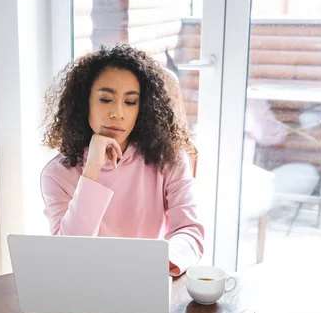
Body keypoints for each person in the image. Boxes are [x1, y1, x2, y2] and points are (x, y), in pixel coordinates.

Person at [40, 44, 204, 276]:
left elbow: (190, 231)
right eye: (106, 99)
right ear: (84, 102)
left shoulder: (169, 159)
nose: (117, 113)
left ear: (142, 108)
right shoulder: (57, 174)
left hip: (150, 279)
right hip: (86, 286)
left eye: (130, 102)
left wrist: (156, 263)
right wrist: (92, 170)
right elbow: (69, 253)